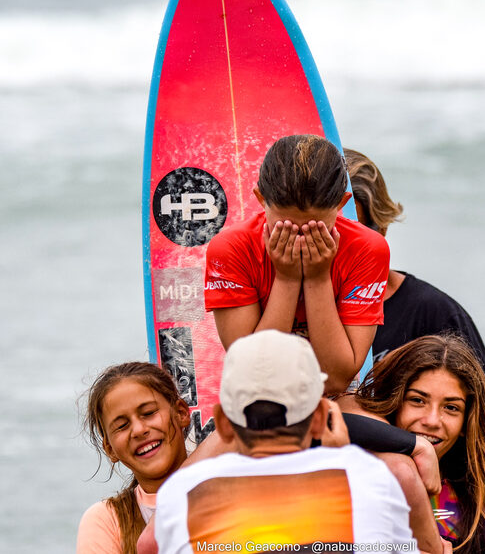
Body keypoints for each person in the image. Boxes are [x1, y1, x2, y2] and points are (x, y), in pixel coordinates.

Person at [154, 329, 423, 554]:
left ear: (223, 424)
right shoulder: (368, 476)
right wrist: (344, 459)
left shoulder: (182, 493)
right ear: (319, 417)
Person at [205, 135, 389, 394]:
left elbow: (335, 381)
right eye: (285, 227)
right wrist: (287, 279)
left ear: (341, 204)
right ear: (260, 199)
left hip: (333, 399)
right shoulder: (231, 248)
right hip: (258, 400)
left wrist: (318, 279)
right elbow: (255, 377)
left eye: (316, 228)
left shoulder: (367, 248)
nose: (300, 240)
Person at [339, 335, 485, 554]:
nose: (431, 420)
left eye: (451, 408)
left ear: (466, 422)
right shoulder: (353, 471)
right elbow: (329, 416)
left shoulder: (482, 506)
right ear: (392, 401)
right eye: (417, 400)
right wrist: (416, 446)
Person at [343, 148, 485, 396]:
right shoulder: (294, 310)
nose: (335, 247)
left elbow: (483, 420)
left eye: (353, 234)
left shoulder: (435, 315)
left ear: (380, 230)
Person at [77, 362, 191, 554]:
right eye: (121, 426)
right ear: (110, 449)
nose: (138, 430)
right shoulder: (107, 521)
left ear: (181, 412)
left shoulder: (227, 484)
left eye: (149, 413)